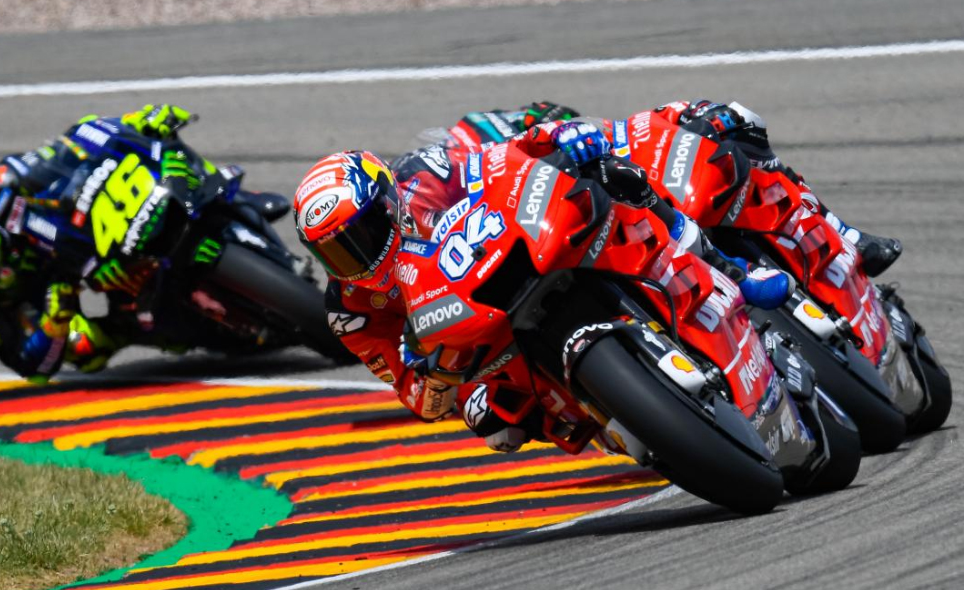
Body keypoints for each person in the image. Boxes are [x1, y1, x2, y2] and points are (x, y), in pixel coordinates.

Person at [292, 105, 792, 452]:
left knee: (612, 178)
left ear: (388, 202)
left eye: (361, 235)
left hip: (509, 256)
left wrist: (554, 141)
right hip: (476, 345)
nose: (354, 258)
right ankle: (624, 422)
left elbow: (498, 161)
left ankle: (728, 268)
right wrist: (434, 379)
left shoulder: (424, 176)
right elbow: (418, 399)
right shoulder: (350, 312)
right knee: (494, 424)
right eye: (333, 252)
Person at [0, 104, 206, 382]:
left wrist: (132, 123)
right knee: (85, 349)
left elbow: (68, 149)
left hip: (65, 239)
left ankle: (199, 185)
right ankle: (145, 326)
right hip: (47, 293)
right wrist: (53, 323)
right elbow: (29, 367)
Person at [429, 100, 902, 277]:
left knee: (732, 124)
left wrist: (565, 132)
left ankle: (845, 234)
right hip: (575, 223)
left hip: (612, 158)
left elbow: (564, 116)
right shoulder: (467, 212)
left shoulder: (495, 130)